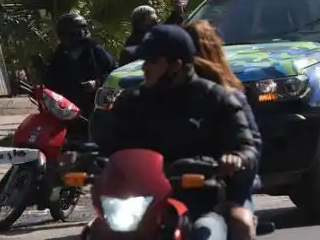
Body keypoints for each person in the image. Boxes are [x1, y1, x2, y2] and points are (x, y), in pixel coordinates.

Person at [100, 25, 259, 240]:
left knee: (215, 231)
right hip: (142, 202)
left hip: (204, 201)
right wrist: (81, 157)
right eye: (144, 62)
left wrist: (236, 159)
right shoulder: (132, 101)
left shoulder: (217, 99)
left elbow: (247, 146)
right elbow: (109, 144)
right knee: (98, 232)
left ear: (176, 65)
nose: (145, 68)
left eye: (153, 62)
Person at [185, 20, 261, 240]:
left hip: (225, 188)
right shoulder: (167, 98)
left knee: (240, 222)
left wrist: (235, 161)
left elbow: (252, 145)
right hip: (179, 188)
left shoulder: (229, 97)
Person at [43, 13, 117, 140]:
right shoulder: (59, 55)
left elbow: (115, 74)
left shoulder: (96, 51)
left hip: (96, 111)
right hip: (68, 115)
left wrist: (97, 83)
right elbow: (50, 82)